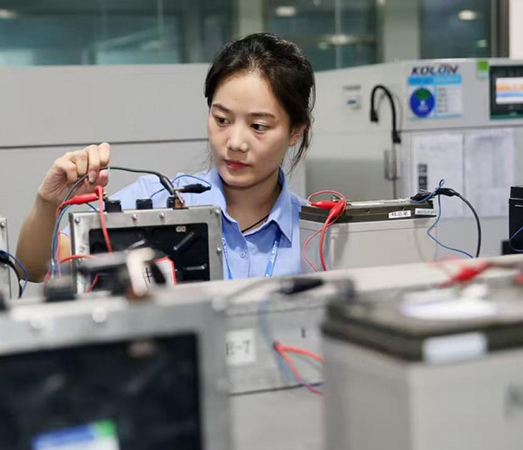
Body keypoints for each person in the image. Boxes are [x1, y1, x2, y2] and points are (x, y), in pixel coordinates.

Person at [16, 33, 315, 281]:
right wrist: (48, 203)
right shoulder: (155, 202)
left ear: (295, 131)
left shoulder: (318, 231)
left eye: (258, 126)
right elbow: (35, 268)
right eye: (222, 120)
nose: (235, 143)